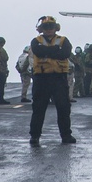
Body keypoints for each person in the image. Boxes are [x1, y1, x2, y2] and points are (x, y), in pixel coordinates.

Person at [29, 16, 77, 147]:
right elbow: (38, 52)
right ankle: (34, 136)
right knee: (38, 108)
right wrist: (56, 51)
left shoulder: (63, 40)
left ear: (56, 28)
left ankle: (66, 135)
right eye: (46, 27)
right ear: (41, 29)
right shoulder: (35, 41)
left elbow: (65, 53)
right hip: (41, 79)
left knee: (64, 108)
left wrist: (47, 52)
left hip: (59, 78)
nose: (49, 29)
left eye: (51, 26)